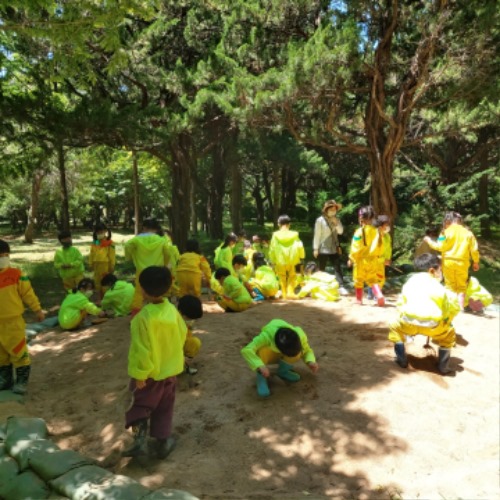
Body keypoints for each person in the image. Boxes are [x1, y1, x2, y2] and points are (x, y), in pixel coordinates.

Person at [123, 266, 187, 459]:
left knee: (139, 405)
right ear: (168, 288)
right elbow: (182, 334)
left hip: (149, 374)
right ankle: (163, 441)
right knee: (164, 407)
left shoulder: (142, 318)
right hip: (170, 371)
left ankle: (139, 441)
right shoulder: (172, 311)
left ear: (142, 289)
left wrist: (140, 374)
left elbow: (141, 350)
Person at [388, 253, 460, 374]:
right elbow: (453, 307)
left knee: (394, 327)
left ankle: (401, 359)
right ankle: (443, 366)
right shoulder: (440, 287)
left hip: (408, 324)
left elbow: (400, 305)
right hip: (434, 327)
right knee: (449, 334)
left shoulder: (409, 283)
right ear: (432, 270)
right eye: (440, 270)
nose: (440, 273)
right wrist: (446, 321)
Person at [0, 239, 45, 395]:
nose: (3, 258)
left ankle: (21, 381)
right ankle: (5, 379)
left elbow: (28, 294)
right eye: (0, 255)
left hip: (13, 322)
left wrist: (37, 310)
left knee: (18, 351)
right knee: (1, 354)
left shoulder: (16, 275)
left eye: (5, 255)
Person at [241, 319, 318, 397]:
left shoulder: (300, 335)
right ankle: (261, 378)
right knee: (261, 350)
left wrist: (310, 361)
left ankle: (283, 371)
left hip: (282, 351)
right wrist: (260, 365)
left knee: (297, 354)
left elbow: (307, 350)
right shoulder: (267, 335)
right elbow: (247, 350)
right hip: (270, 352)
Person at [424, 211, 480, 310]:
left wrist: (429, 241)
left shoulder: (444, 232)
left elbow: (440, 247)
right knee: (461, 287)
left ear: (448, 221)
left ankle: (450, 309)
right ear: (460, 221)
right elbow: (474, 249)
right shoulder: (468, 233)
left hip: (448, 262)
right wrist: (475, 262)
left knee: (450, 286)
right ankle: (460, 309)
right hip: (463, 262)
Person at [124, 218, 173, 314]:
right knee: (158, 291)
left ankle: (135, 315)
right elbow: (167, 253)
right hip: (157, 272)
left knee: (138, 294)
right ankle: (159, 313)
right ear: (156, 229)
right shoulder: (161, 240)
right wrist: (165, 264)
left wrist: (129, 257)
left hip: (141, 271)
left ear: (144, 228)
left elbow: (127, 247)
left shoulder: (136, 240)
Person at [348, 206, 385, 306]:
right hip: (373, 260)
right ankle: (378, 294)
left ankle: (359, 300)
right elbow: (381, 247)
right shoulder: (377, 231)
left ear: (361, 218)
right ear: (373, 218)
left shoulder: (359, 232)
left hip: (361, 260)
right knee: (373, 280)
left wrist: (351, 258)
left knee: (358, 280)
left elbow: (355, 247)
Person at [312, 200, 348, 296]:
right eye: (331, 208)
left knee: (337, 267)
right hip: (323, 247)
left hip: (334, 246)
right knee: (321, 268)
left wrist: (336, 223)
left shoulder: (337, 219)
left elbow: (340, 232)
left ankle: (341, 286)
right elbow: (317, 235)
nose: (333, 210)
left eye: (335, 209)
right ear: (326, 209)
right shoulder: (320, 220)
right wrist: (315, 248)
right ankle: (319, 286)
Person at [269, 215, 305, 300]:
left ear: (279, 224)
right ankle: (290, 293)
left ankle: (284, 294)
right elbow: (300, 246)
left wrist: (272, 260)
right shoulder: (295, 234)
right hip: (293, 259)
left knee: (281, 277)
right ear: (289, 224)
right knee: (293, 276)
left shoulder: (275, 235)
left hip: (280, 259)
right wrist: (302, 256)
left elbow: (272, 248)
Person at [178, 295, 203, 375]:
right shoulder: (173, 323)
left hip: (179, 345)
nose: (191, 321)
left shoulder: (182, 320)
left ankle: (184, 365)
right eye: (189, 318)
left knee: (194, 343)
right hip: (166, 351)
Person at [89, 223, 115, 298]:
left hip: (105, 265)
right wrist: (91, 263)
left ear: (105, 231)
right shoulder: (95, 242)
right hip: (96, 265)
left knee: (105, 282)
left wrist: (112, 265)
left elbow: (112, 255)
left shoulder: (110, 242)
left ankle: (106, 298)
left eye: (101, 232)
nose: (100, 234)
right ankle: (100, 298)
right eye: (98, 232)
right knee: (97, 282)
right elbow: (92, 253)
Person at [374, 215, 392, 291]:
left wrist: (388, 259)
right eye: (386, 225)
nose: (388, 227)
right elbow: (374, 252)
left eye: (388, 225)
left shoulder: (387, 236)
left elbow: (389, 249)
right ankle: (374, 295)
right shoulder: (375, 236)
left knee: (381, 278)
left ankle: (376, 294)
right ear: (380, 226)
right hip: (375, 262)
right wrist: (382, 260)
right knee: (374, 278)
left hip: (383, 262)